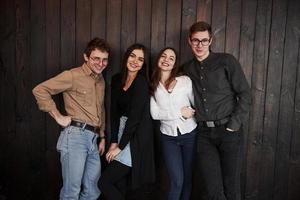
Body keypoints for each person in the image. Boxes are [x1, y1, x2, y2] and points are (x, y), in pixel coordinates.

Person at [32, 38, 110, 200]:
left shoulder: (100, 80)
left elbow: (100, 109)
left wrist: (102, 136)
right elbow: (40, 90)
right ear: (86, 57)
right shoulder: (73, 75)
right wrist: (58, 116)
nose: (101, 63)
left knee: (93, 191)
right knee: (71, 192)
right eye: (96, 58)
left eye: (104, 60)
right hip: (75, 137)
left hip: (93, 139)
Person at [182, 21, 251, 200]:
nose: (200, 45)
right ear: (189, 41)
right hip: (204, 135)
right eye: (195, 41)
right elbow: (170, 88)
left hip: (229, 131)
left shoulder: (226, 61)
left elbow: (245, 94)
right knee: (214, 191)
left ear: (210, 40)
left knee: (232, 188)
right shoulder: (186, 69)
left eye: (204, 40)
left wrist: (233, 125)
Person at [99, 44, 155, 200]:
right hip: (122, 132)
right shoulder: (116, 79)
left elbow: (135, 119)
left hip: (136, 136)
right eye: (132, 56)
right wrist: (113, 142)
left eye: (140, 59)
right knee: (120, 186)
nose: (135, 61)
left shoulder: (141, 82)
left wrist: (120, 147)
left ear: (144, 64)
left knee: (104, 182)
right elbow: (114, 113)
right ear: (126, 57)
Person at [150, 47, 197, 200]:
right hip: (168, 138)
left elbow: (194, 106)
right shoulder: (153, 86)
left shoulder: (185, 81)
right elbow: (155, 114)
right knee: (177, 180)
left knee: (188, 179)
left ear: (175, 63)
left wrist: (188, 112)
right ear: (158, 60)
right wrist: (179, 113)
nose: (167, 60)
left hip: (190, 134)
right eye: (163, 56)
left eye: (171, 58)